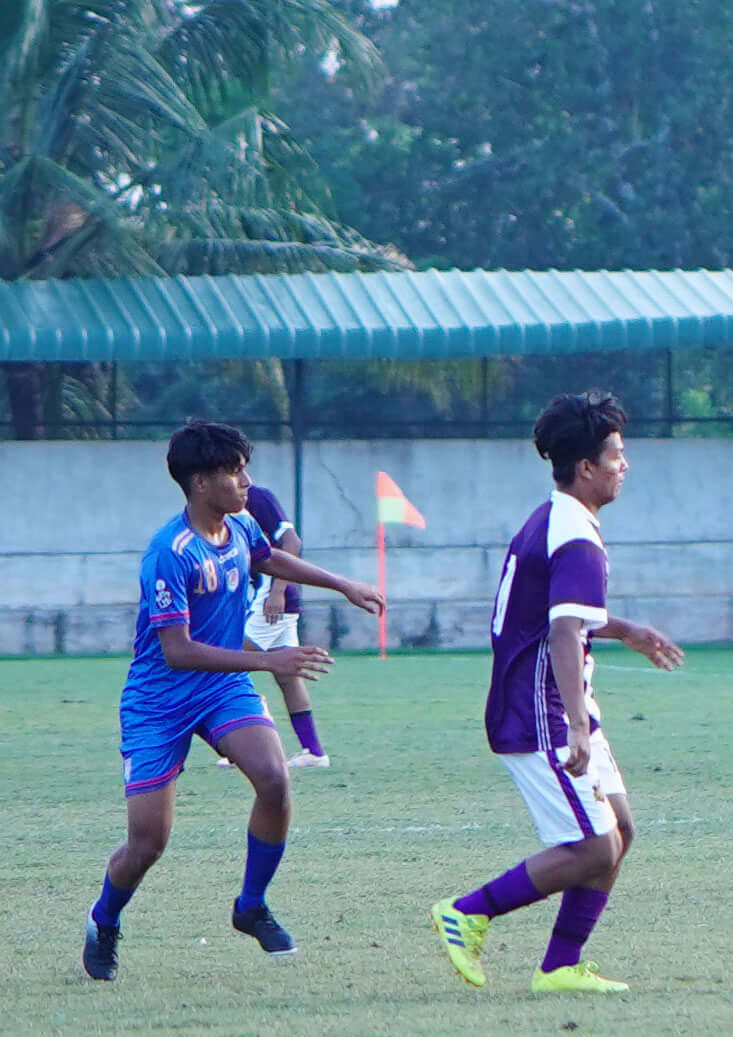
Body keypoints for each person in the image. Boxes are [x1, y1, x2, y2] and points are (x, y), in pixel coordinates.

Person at [83, 421, 386, 981]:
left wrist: (342, 584)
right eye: (235, 472)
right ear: (200, 482)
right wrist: (270, 661)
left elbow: (269, 559)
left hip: (222, 688)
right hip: (159, 701)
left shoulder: (242, 524)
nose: (247, 482)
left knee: (274, 779)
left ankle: (251, 906)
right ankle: (104, 920)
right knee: (148, 843)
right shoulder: (169, 554)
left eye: (245, 469)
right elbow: (178, 652)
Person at [432, 393, 687, 995]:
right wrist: (575, 724)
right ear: (586, 467)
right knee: (596, 847)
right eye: (616, 455)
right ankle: (467, 912)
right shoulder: (575, 534)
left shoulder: (555, 517)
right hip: (540, 711)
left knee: (620, 831)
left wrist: (626, 630)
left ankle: (560, 966)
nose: (625, 465)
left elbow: (564, 614)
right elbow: (565, 630)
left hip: (552, 704)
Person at [209, 481, 334, 769]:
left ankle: (248, 735)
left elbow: (292, 542)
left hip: (270, 600)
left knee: (228, 664)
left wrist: (277, 591)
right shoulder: (220, 506)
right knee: (288, 678)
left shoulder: (257, 497)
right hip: (265, 598)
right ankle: (314, 752)